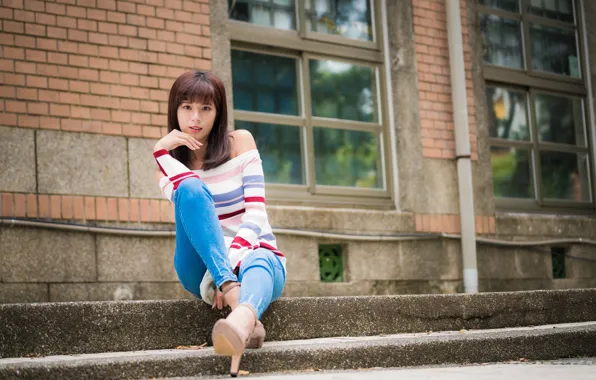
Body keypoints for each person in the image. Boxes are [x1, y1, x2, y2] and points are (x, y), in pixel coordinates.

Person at [153, 70, 287, 377]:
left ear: (218, 112)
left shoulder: (240, 142)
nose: (195, 118)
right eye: (186, 107)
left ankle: (241, 321)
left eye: (205, 108)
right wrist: (160, 152)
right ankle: (237, 300)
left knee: (264, 256)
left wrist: (227, 263)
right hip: (200, 267)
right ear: (175, 109)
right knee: (189, 188)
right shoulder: (167, 168)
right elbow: (193, 210)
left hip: (251, 255)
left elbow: (255, 215)